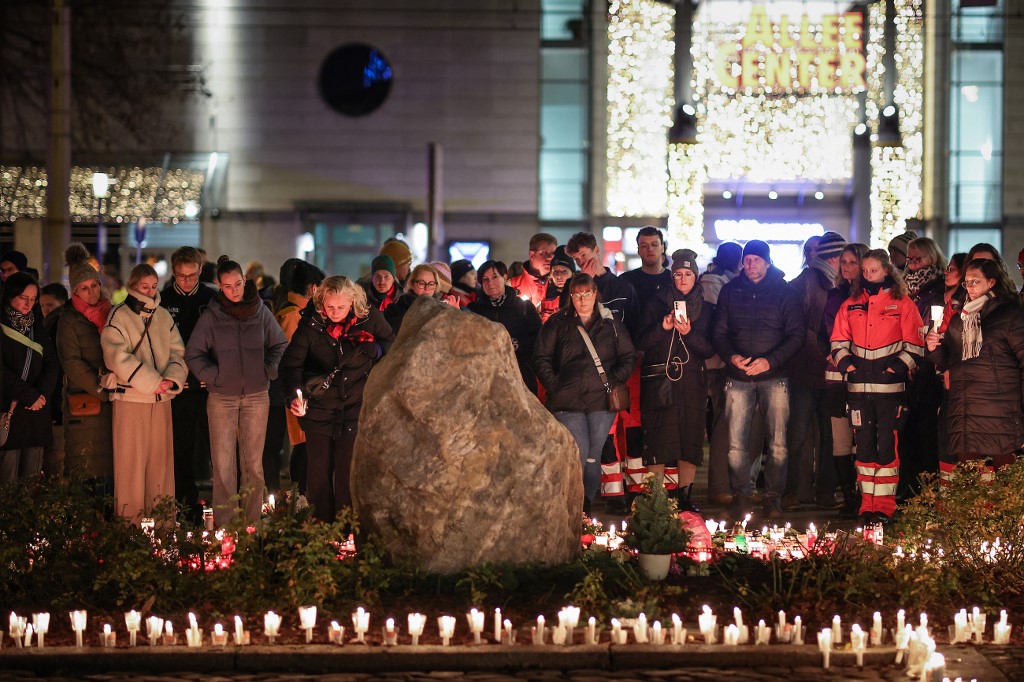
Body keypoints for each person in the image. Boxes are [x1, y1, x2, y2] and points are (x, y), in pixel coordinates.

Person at [185, 256, 288, 526]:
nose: (234, 291)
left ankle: (251, 526)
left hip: (256, 396)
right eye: (228, 286)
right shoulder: (212, 316)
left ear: (245, 281)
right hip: (221, 397)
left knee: (253, 465)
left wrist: (269, 370)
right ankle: (227, 529)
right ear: (220, 287)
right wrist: (214, 376)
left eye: (238, 284)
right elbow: (193, 354)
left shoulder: (260, 311)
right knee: (223, 466)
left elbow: (280, 344)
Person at [280, 276, 393, 521]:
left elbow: (391, 341)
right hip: (319, 408)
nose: (335, 313)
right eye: (330, 307)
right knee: (318, 472)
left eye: (341, 307)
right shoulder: (311, 324)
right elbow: (291, 365)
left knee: (346, 472)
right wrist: (293, 397)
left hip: (354, 404)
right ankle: (323, 529)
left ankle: (345, 529)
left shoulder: (369, 318)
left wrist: (379, 350)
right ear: (321, 302)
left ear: (353, 302)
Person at [711, 240, 804, 520]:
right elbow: (719, 332)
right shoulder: (730, 291)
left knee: (777, 442)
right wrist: (732, 357)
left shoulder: (785, 293)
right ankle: (741, 495)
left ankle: (772, 497)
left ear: (767, 261)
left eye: (755, 260)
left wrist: (770, 361)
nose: (749, 265)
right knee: (736, 443)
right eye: (746, 259)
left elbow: (796, 335)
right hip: (738, 377)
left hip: (774, 377)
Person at [830, 249, 923, 524]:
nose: (869, 275)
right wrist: (849, 368)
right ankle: (866, 507)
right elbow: (837, 341)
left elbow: (915, 344)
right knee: (864, 449)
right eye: (866, 270)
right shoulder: (850, 304)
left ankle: (884, 508)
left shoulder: (903, 303)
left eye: (875, 270)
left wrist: (895, 370)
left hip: (890, 392)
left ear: (887, 271)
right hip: (858, 391)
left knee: (886, 449)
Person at [534, 274, 636, 515]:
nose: (582, 300)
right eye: (577, 295)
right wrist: (555, 384)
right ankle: (573, 503)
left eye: (587, 294)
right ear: (571, 297)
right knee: (579, 451)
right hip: (567, 401)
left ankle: (585, 504)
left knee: (593, 455)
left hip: (601, 400)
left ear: (595, 294)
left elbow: (628, 356)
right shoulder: (558, 323)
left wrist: (614, 380)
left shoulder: (610, 324)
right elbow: (541, 357)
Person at [101, 264, 187, 522]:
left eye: (153, 286)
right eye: (144, 286)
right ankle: (131, 527)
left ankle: (162, 526)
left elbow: (177, 353)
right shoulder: (119, 316)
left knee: (161, 466)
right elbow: (116, 356)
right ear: (133, 285)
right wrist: (152, 382)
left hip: (161, 400)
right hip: (131, 400)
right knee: (131, 467)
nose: (149, 291)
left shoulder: (163, 316)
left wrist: (171, 381)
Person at [926, 258, 1024, 479]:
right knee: (971, 480)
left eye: (975, 282)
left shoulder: (1009, 314)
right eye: (966, 282)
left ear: (991, 283)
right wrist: (934, 348)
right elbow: (952, 360)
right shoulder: (961, 319)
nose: (969, 287)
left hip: (999, 412)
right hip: (965, 409)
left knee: (1003, 479)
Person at [635, 249, 714, 512]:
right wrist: (663, 328)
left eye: (688, 274)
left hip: (691, 380)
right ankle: (657, 498)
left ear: (696, 276)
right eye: (678, 274)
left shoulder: (706, 307)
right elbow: (640, 342)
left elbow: (709, 350)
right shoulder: (656, 302)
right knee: (659, 438)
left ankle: (685, 498)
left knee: (689, 438)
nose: (683, 279)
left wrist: (689, 333)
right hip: (660, 379)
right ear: (672, 275)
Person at [785, 231, 846, 511]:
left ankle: (817, 491)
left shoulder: (839, 284)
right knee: (802, 432)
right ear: (833, 258)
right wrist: (827, 357)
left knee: (825, 434)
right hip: (811, 369)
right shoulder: (806, 283)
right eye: (842, 258)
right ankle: (804, 491)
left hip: (822, 369)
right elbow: (802, 330)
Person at [160, 246, 216, 523]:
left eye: (192, 276)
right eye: (182, 277)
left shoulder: (212, 298)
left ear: (200, 271)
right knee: (181, 449)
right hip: (179, 388)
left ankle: (222, 503)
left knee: (217, 447)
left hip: (209, 386)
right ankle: (184, 504)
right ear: (173, 273)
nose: (187, 281)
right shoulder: (162, 299)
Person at [56, 245, 114, 489]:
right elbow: (71, 362)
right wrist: (101, 389)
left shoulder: (112, 313)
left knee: (111, 468)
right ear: (75, 291)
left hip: (113, 400)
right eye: (84, 288)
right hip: (86, 401)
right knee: (87, 468)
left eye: (94, 285)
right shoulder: (69, 319)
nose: (91, 292)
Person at [899, 237, 948, 500]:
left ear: (932, 258)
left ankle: (926, 493)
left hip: (928, 372)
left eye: (918, 259)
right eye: (909, 259)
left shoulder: (937, 290)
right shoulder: (906, 290)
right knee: (909, 435)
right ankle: (911, 491)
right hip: (910, 371)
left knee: (926, 435)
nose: (913, 265)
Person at [823, 242, 869, 517]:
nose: (847, 267)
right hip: (835, 375)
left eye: (853, 262)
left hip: (863, 375)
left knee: (862, 437)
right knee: (839, 437)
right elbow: (822, 331)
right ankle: (849, 496)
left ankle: (866, 496)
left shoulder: (870, 296)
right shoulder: (835, 294)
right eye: (844, 262)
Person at [700, 241, 746, 506]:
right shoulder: (714, 282)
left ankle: (725, 484)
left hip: (722, 362)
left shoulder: (723, 279)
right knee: (720, 424)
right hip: (714, 363)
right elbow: (719, 319)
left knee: (724, 423)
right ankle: (718, 486)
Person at [0, 273, 58, 481]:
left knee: (32, 481)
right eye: (24, 297)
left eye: (33, 299)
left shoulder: (37, 327)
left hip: (36, 414)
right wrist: (29, 395)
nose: (29, 303)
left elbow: (52, 364)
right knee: (8, 479)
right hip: (10, 411)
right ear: (10, 295)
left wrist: (40, 396)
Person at [274, 261, 325, 495]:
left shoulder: (295, 311)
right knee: (302, 446)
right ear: (313, 288)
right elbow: (290, 358)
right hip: (300, 391)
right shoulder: (294, 315)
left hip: (305, 389)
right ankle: (300, 498)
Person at [467, 260, 542, 395]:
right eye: (485, 279)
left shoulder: (523, 307)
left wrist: (517, 345)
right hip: (487, 378)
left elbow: (538, 337)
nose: (490, 283)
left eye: (495, 277)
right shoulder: (475, 310)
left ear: (505, 277)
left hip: (521, 376)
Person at [566, 232, 639, 333]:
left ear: (596, 250)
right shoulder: (571, 285)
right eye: (576, 259)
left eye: (583, 255)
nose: (581, 262)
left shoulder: (623, 287)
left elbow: (634, 325)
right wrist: (586, 279)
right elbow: (568, 317)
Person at [383, 263, 440, 336]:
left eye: (431, 284)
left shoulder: (439, 308)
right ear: (412, 284)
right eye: (421, 283)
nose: (427, 288)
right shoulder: (397, 309)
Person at [622, 226, 673, 305]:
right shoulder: (626, 280)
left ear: (662, 248)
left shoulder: (673, 280)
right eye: (644, 246)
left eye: (654, 245)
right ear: (638, 250)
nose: (650, 249)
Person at [509, 233, 558, 310]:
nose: (549, 258)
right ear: (531, 255)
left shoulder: (560, 286)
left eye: (553, 254)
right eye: (544, 253)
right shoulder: (511, 286)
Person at [540, 246, 576, 322]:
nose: (559, 276)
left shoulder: (579, 295)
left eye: (564, 271)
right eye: (555, 271)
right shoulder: (542, 294)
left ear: (572, 274)